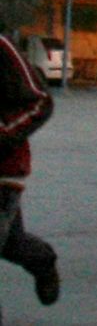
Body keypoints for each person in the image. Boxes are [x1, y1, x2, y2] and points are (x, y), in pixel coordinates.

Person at [0, 33, 59, 313]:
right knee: (11, 244)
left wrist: (3, 135)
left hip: (3, 171)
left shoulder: (2, 48)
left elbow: (40, 102)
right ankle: (41, 260)